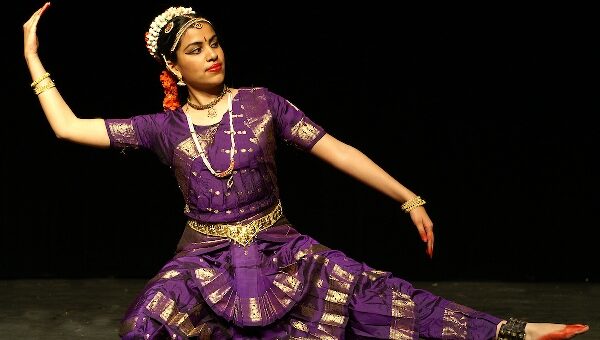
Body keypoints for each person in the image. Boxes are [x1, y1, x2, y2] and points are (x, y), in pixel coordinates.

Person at [23, 3, 590, 340]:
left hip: (279, 248)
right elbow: (69, 128)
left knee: (381, 300)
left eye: (215, 42)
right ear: (173, 66)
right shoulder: (164, 129)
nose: (212, 53)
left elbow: (336, 149)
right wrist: (33, 59)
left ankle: (511, 331)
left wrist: (408, 197)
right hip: (203, 261)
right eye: (196, 49)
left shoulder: (264, 104)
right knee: (144, 325)